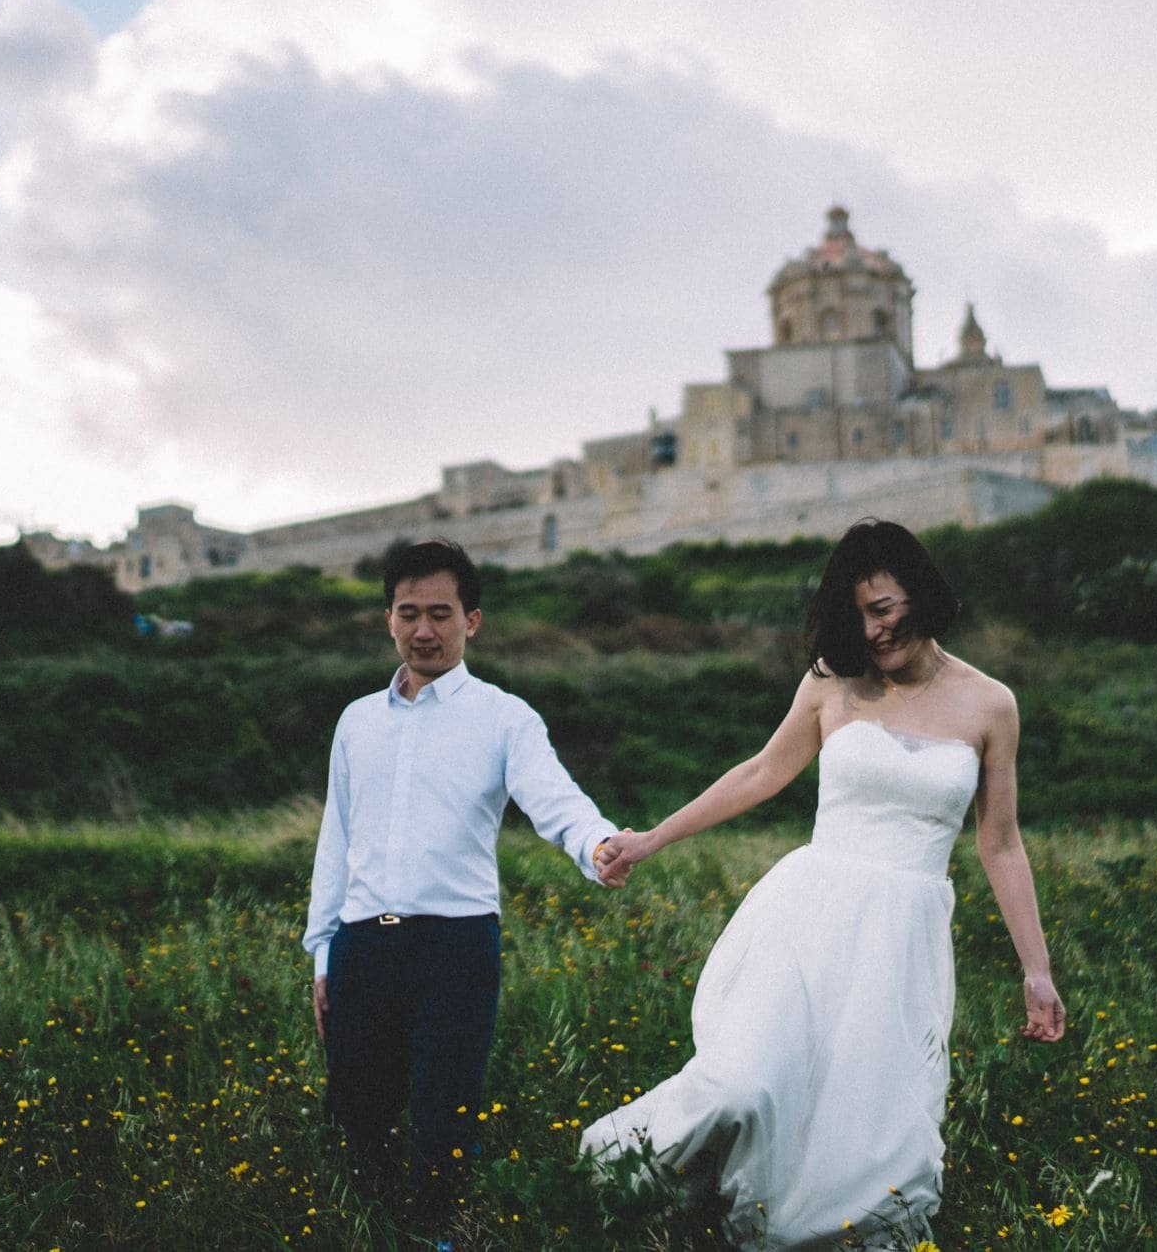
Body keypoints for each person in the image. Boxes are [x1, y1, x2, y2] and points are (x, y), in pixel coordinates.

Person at [585, 519, 1066, 1250]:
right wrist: (651, 839)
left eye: (884, 609)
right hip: (808, 916)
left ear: (923, 595)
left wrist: (1037, 970)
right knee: (744, 1084)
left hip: (900, 939)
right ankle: (611, 1182)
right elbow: (760, 773)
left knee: (863, 1125)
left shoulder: (990, 704)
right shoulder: (830, 682)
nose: (873, 632)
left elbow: (1000, 844)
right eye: (858, 616)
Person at [304, 538, 626, 1226]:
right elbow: (338, 840)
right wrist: (322, 953)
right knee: (356, 1121)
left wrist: (597, 844)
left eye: (441, 614)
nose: (425, 630)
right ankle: (369, 1237)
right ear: (388, 618)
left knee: (443, 1123)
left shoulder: (505, 717)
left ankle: (438, 1240)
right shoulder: (356, 721)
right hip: (361, 948)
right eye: (409, 612)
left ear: (471, 621)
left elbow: (556, 800)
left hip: (454, 947)